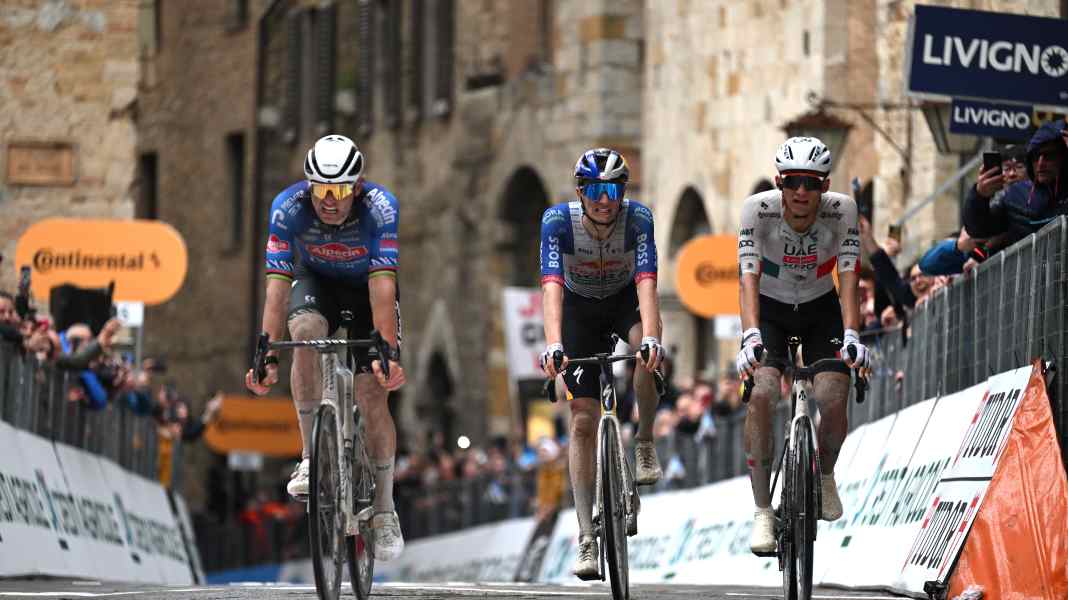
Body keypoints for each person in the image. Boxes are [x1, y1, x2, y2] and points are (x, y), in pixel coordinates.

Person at [244, 134, 407, 560]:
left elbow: (383, 285)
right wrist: (266, 352)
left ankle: (385, 508)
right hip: (315, 282)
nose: (328, 201)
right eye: (319, 189)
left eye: (338, 190)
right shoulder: (288, 208)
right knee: (304, 334)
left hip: (365, 287)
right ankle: (309, 455)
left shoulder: (380, 208)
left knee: (374, 393)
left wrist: (386, 351)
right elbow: (276, 290)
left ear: (357, 186)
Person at [735, 137, 870, 554]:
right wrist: (750, 334)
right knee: (760, 391)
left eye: (811, 184)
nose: (800, 193)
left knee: (833, 394)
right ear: (778, 182)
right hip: (770, 308)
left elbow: (849, 273)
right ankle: (762, 510)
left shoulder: (843, 210)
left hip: (818, 306)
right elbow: (748, 277)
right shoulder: (756, 211)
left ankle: (825, 475)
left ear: (825, 186)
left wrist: (852, 334)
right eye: (791, 182)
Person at [539, 147, 665, 579]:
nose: (604, 198)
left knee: (646, 357)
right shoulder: (557, 222)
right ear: (580, 191)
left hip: (625, 301)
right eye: (594, 188)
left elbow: (648, 281)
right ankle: (586, 537)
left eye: (612, 188)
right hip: (578, 309)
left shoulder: (639, 218)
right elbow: (552, 287)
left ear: (622, 191)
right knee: (581, 419)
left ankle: (644, 440)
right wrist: (554, 344)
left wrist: (650, 337)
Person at [963, 119, 1068, 246]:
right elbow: (979, 230)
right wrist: (980, 196)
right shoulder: (1015, 195)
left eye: (1049, 155)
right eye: (1035, 157)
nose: (1040, 163)